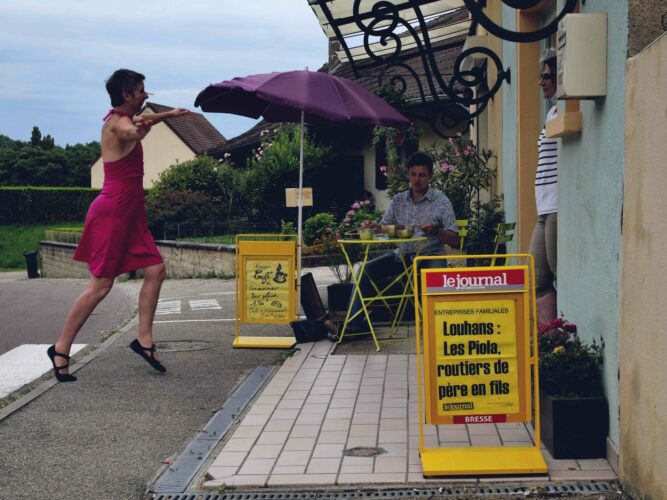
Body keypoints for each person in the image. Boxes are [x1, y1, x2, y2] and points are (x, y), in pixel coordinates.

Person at [47, 69, 189, 382]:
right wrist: (164, 115)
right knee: (100, 286)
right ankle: (60, 349)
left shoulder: (130, 120)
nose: (145, 94)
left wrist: (165, 115)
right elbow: (133, 131)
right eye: (140, 90)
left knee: (155, 270)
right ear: (126, 94)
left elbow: (140, 128)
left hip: (132, 213)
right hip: (112, 213)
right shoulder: (116, 123)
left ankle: (144, 341)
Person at [345, 151, 460, 333]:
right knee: (365, 269)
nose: (417, 180)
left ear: (430, 176)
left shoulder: (441, 201)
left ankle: (439, 328)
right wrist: (372, 225)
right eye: (413, 174)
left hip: (429, 257)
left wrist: (436, 230)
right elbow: (384, 227)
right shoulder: (398, 200)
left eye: (422, 175)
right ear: (408, 175)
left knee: (436, 273)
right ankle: (354, 326)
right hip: (402, 257)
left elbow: (455, 239)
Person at [530, 48, 559, 320]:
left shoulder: (565, 108)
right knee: (537, 276)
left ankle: (565, 338)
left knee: (558, 272)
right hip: (544, 206)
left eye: (547, 76)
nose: (541, 82)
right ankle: (552, 339)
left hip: (557, 205)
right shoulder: (552, 112)